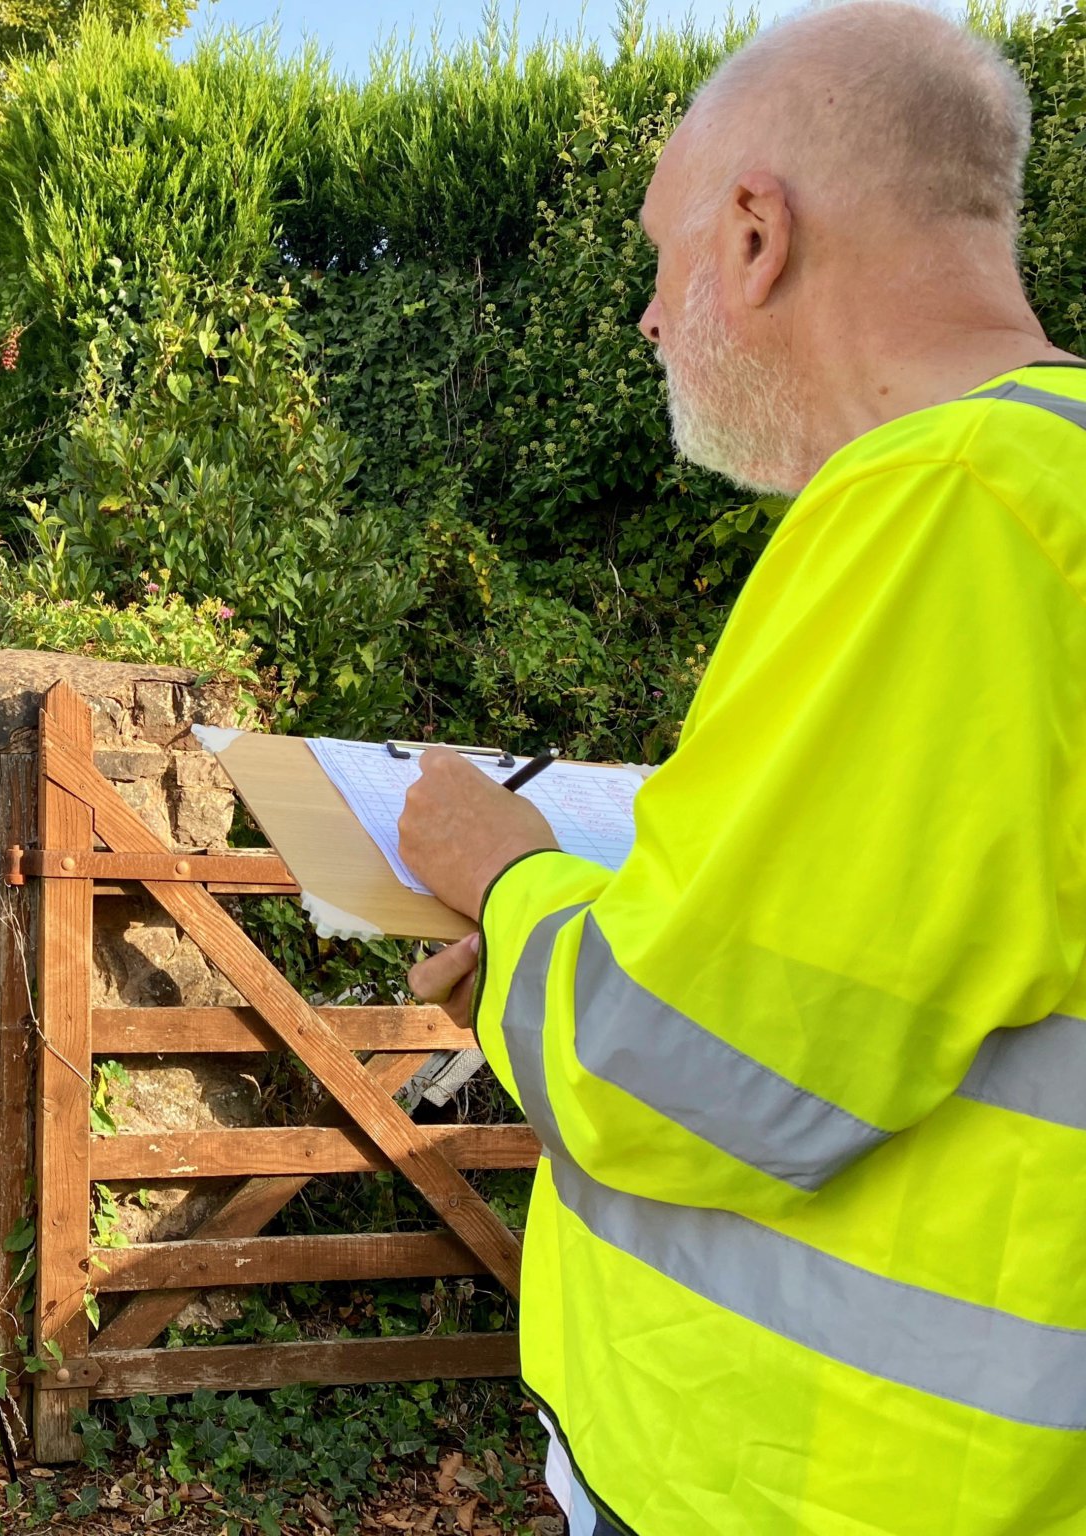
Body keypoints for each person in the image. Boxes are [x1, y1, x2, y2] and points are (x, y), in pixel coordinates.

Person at [397, 6, 1086, 1533]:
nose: (648, 314)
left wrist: (499, 875)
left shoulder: (948, 509)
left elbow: (687, 1070)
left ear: (758, 233)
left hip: (831, 1488)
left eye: (662, 253)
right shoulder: (1050, 485)